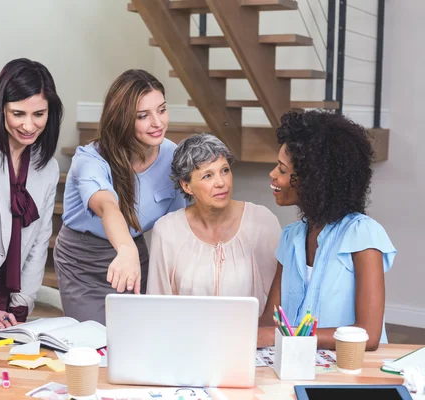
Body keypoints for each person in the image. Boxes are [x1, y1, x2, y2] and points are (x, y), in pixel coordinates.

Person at [54, 69, 187, 324]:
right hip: (84, 262)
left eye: (161, 109)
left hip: (135, 256)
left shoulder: (174, 157)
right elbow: (107, 206)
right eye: (143, 116)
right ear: (123, 120)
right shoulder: (90, 160)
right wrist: (125, 250)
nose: (158, 122)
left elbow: (181, 222)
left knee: (142, 335)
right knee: (98, 342)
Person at [259, 110, 396, 350]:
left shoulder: (363, 234)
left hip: (350, 373)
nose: (272, 175)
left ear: (313, 180)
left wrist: (284, 338)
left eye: (282, 170)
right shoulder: (291, 237)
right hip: (295, 368)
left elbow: (368, 334)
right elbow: (270, 322)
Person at [0, 58, 62, 329]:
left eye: (38, 114)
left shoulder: (48, 166)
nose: (29, 126)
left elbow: (40, 241)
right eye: (18, 114)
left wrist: (22, 302)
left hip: (10, 301)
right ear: (1, 108)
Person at [147, 134, 280, 315]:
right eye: (208, 176)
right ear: (186, 186)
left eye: (224, 170)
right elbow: (157, 305)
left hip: (248, 340)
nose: (221, 183)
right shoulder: (167, 230)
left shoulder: (262, 222)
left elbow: (283, 299)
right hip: (186, 340)